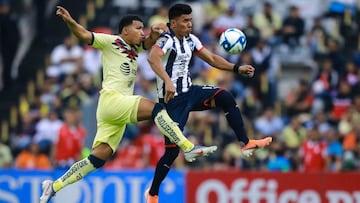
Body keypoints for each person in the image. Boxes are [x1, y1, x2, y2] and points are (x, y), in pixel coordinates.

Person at [40, 6, 217, 203]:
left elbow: (148, 43)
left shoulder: (134, 47)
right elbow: (83, 35)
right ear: (125, 31)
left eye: (143, 28)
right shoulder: (111, 41)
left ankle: (53, 186)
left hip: (113, 110)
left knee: (98, 158)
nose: (142, 32)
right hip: (113, 100)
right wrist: (70, 21)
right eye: (139, 28)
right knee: (157, 109)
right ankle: (187, 146)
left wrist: (155, 33)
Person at [145, 4, 273, 203]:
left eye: (191, 20)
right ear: (173, 23)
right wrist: (168, 81)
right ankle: (152, 193)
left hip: (190, 91)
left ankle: (246, 143)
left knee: (226, 97)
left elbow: (212, 58)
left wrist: (236, 68)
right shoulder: (166, 39)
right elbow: (153, 58)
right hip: (172, 101)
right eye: (185, 21)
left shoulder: (191, 40)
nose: (190, 24)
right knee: (171, 153)